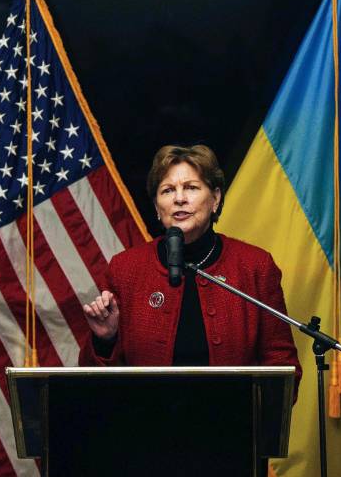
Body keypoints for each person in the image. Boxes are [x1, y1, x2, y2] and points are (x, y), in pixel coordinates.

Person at [80, 144, 301, 389]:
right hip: (146, 421)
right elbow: (93, 383)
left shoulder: (255, 266)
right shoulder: (125, 269)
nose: (179, 198)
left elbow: (281, 363)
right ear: (156, 206)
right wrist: (105, 341)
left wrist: (252, 420)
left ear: (215, 199)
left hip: (231, 423)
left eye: (191, 187)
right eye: (167, 190)